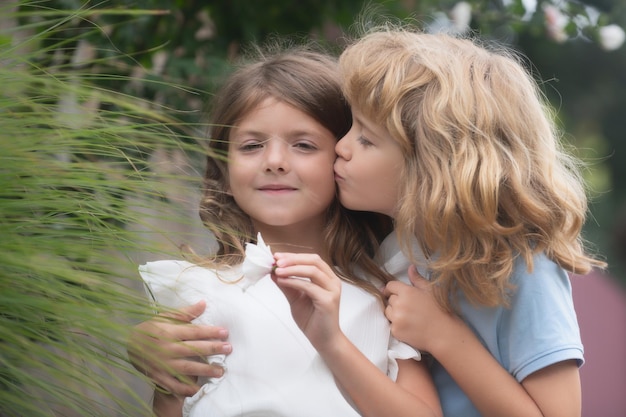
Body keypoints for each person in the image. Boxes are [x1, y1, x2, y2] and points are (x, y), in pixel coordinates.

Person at [130, 45, 442, 417]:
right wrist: (165, 384)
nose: (275, 161)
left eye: (303, 145)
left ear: (343, 160)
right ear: (224, 171)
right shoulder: (193, 289)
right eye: (251, 145)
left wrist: (333, 344)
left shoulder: (386, 293)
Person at [333, 27, 607, 417]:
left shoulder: (524, 267)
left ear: (432, 166)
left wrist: (442, 336)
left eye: (366, 139)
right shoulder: (400, 248)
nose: (341, 147)